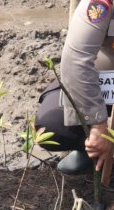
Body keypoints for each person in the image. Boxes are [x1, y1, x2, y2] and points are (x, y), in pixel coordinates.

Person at [35, 0, 113, 175]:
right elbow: (77, 57)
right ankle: (88, 149)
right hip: (108, 63)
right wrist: (98, 125)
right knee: (52, 124)